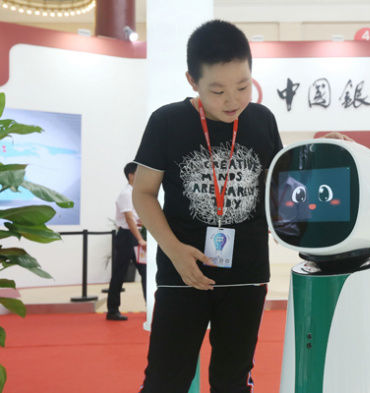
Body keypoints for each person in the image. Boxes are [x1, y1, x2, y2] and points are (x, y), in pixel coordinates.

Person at [132, 20, 349, 392]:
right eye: (217, 90)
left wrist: (317, 152)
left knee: (233, 380)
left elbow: (279, 185)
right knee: (166, 379)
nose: (232, 100)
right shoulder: (167, 121)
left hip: (247, 274)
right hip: (184, 272)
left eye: (243, 86)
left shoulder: (261, 119)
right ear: (192, 81)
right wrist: (174, 252)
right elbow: (143, 193)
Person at [106, 162, 147, 321]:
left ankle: (151, 307)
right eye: (139, 173)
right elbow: (129, 218)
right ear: (131, 175)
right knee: (119, 273)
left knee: (145, 272)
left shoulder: (134, 192)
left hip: (133, 236)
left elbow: (134, 217)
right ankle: (112, 310)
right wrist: (140, 239)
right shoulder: (126, 193)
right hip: (126, 237)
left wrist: (142, 222)